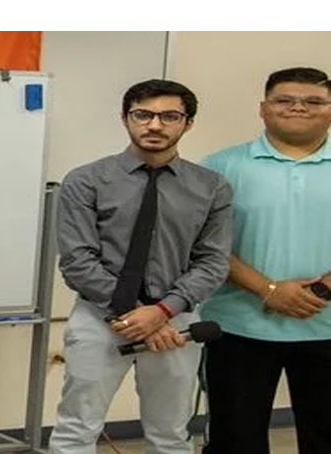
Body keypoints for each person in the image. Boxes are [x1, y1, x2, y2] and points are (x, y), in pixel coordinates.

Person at [49, 79, 233, 454]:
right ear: (125, 119)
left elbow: (213, 261)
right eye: (143, 115)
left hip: (175, 322)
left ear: (187, 123)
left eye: (169, 116)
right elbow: (77, 260)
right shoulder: (86, 181)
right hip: (99, 317)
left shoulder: (211, 187)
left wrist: (162, 312)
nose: (154, 125)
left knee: (171, 435)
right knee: (76, 430)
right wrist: (135, 315)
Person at [199, 67, 331, 454]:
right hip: (239, 326)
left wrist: (324, 287)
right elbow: (205, 245)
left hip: (326, 327)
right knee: (236, 440)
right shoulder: (220, 167)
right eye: (284, 100)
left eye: (313, 101)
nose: (297, 108)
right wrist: (268, 290)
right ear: (263, 109)